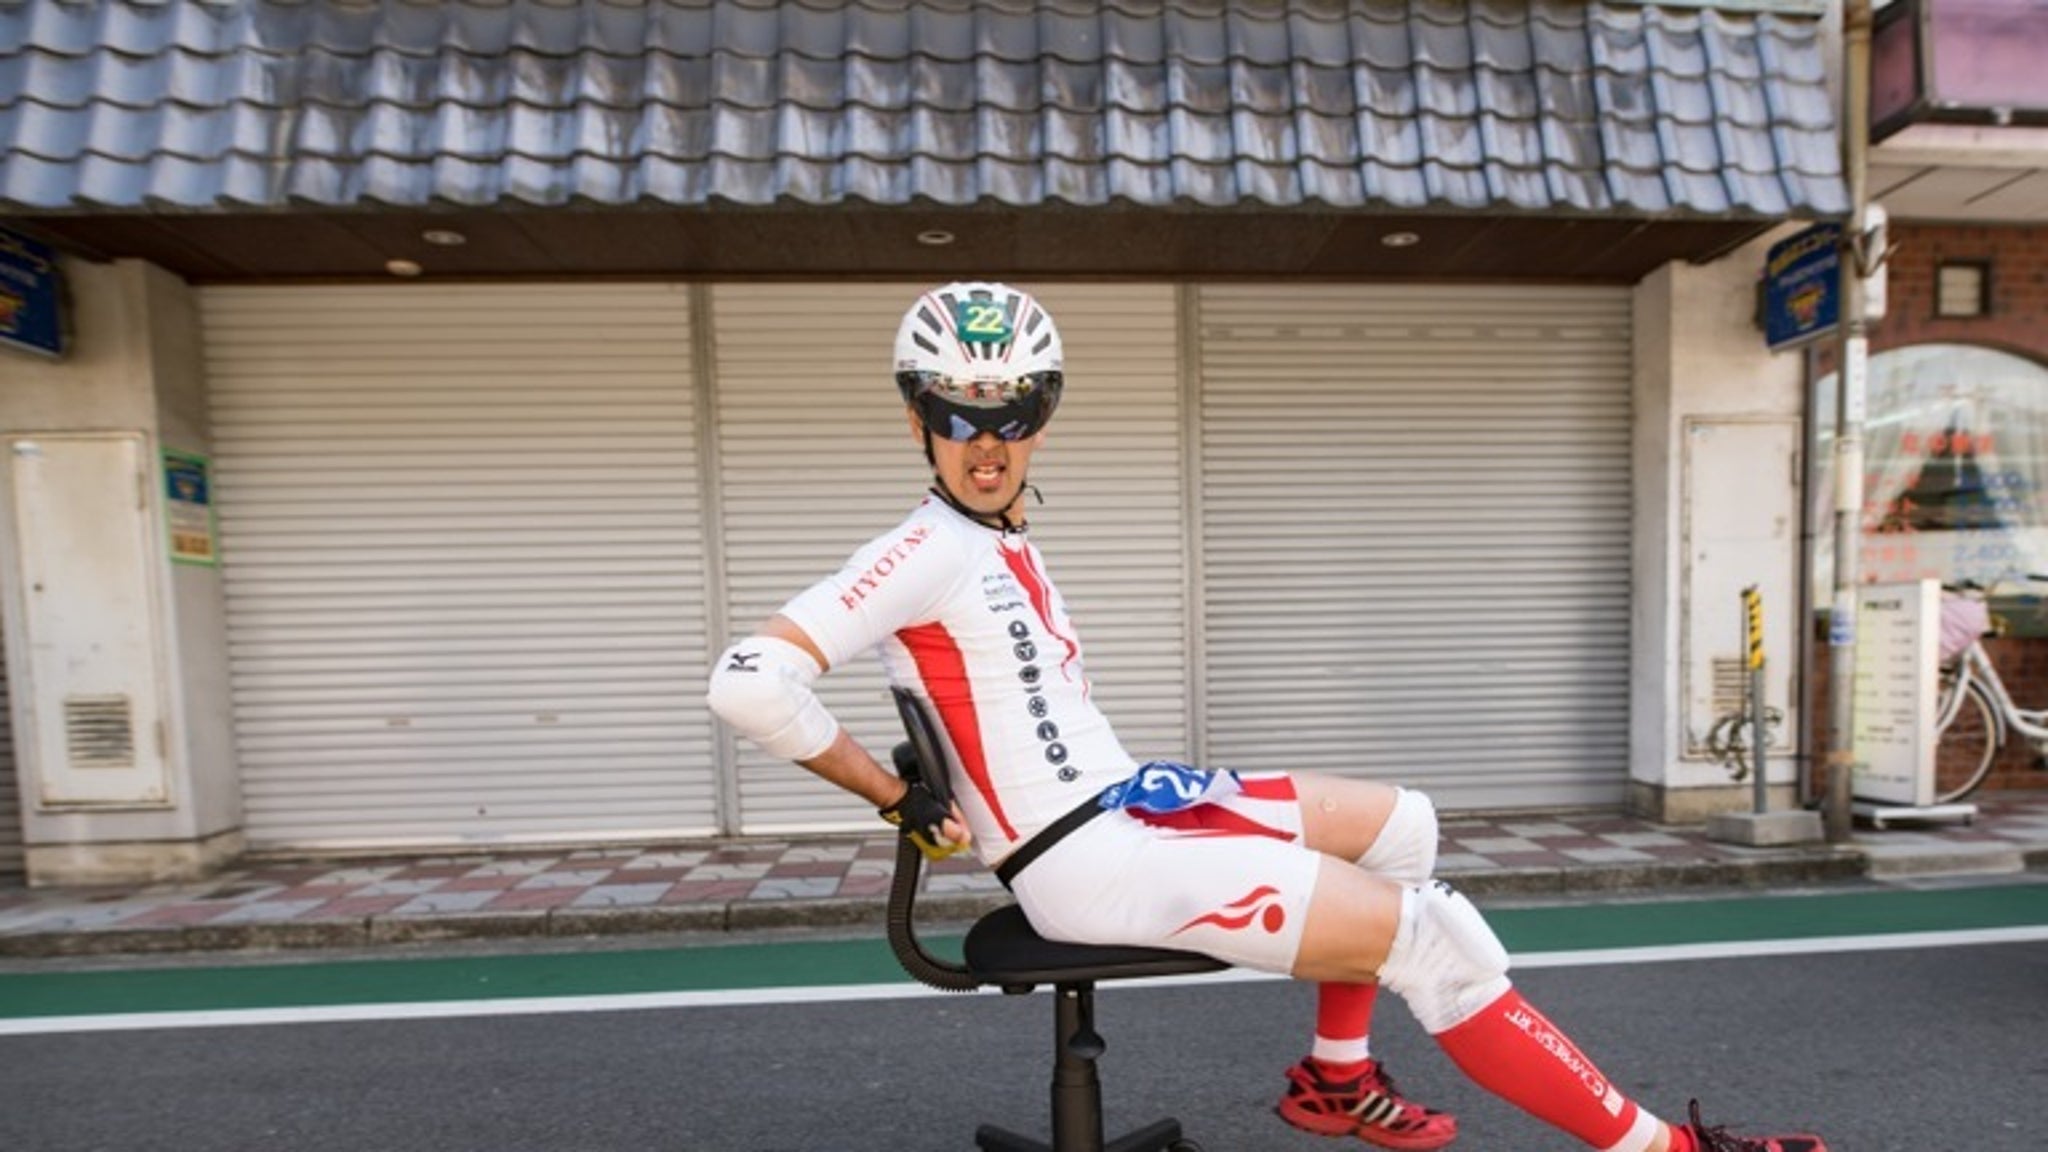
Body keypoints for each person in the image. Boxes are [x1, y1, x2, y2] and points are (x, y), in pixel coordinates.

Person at [706, 281, 1828, 1152]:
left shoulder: (991, 532)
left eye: (1014, 411)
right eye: (957, 414)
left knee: (1403, 825)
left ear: (1043, 414)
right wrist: (894, 794)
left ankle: (1333, 1081)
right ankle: (1664, 1145)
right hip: (1086, 858)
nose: (986, 440)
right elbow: (748, 680)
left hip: (1123, 800)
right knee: (1428, 941)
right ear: (919, 419)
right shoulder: (922, 548)